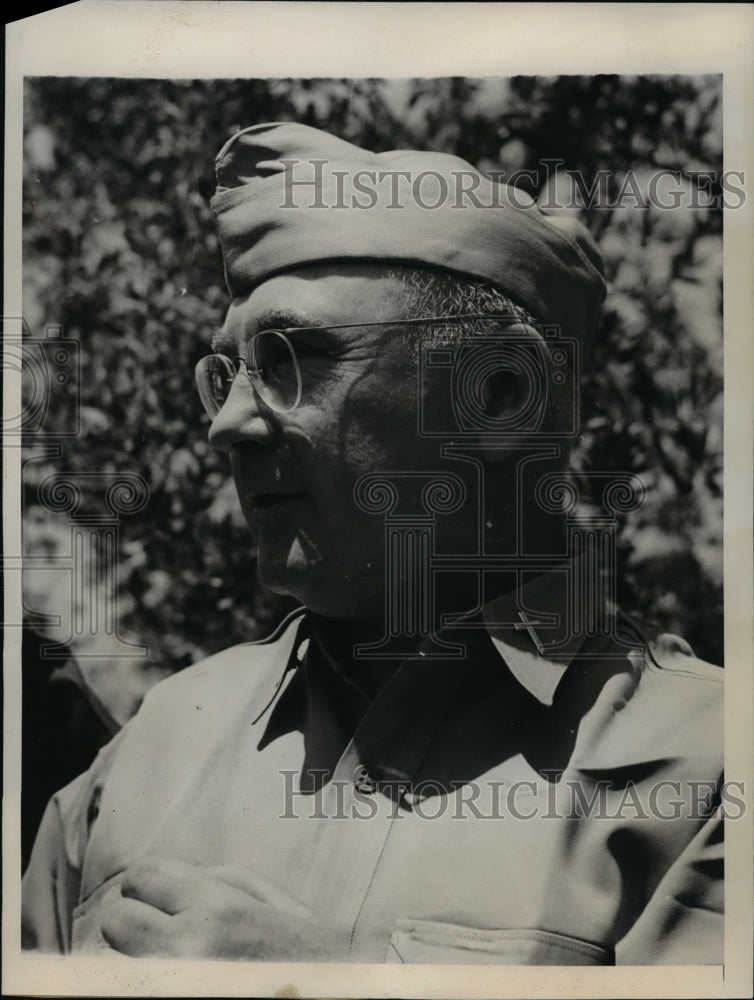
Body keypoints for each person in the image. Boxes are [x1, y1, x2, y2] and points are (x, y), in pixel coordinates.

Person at [22, 122, 723, 964]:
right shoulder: (151, 746)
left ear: (500, 395)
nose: (228, 425)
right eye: (227, 375)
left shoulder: (709, 771)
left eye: (293, 360)